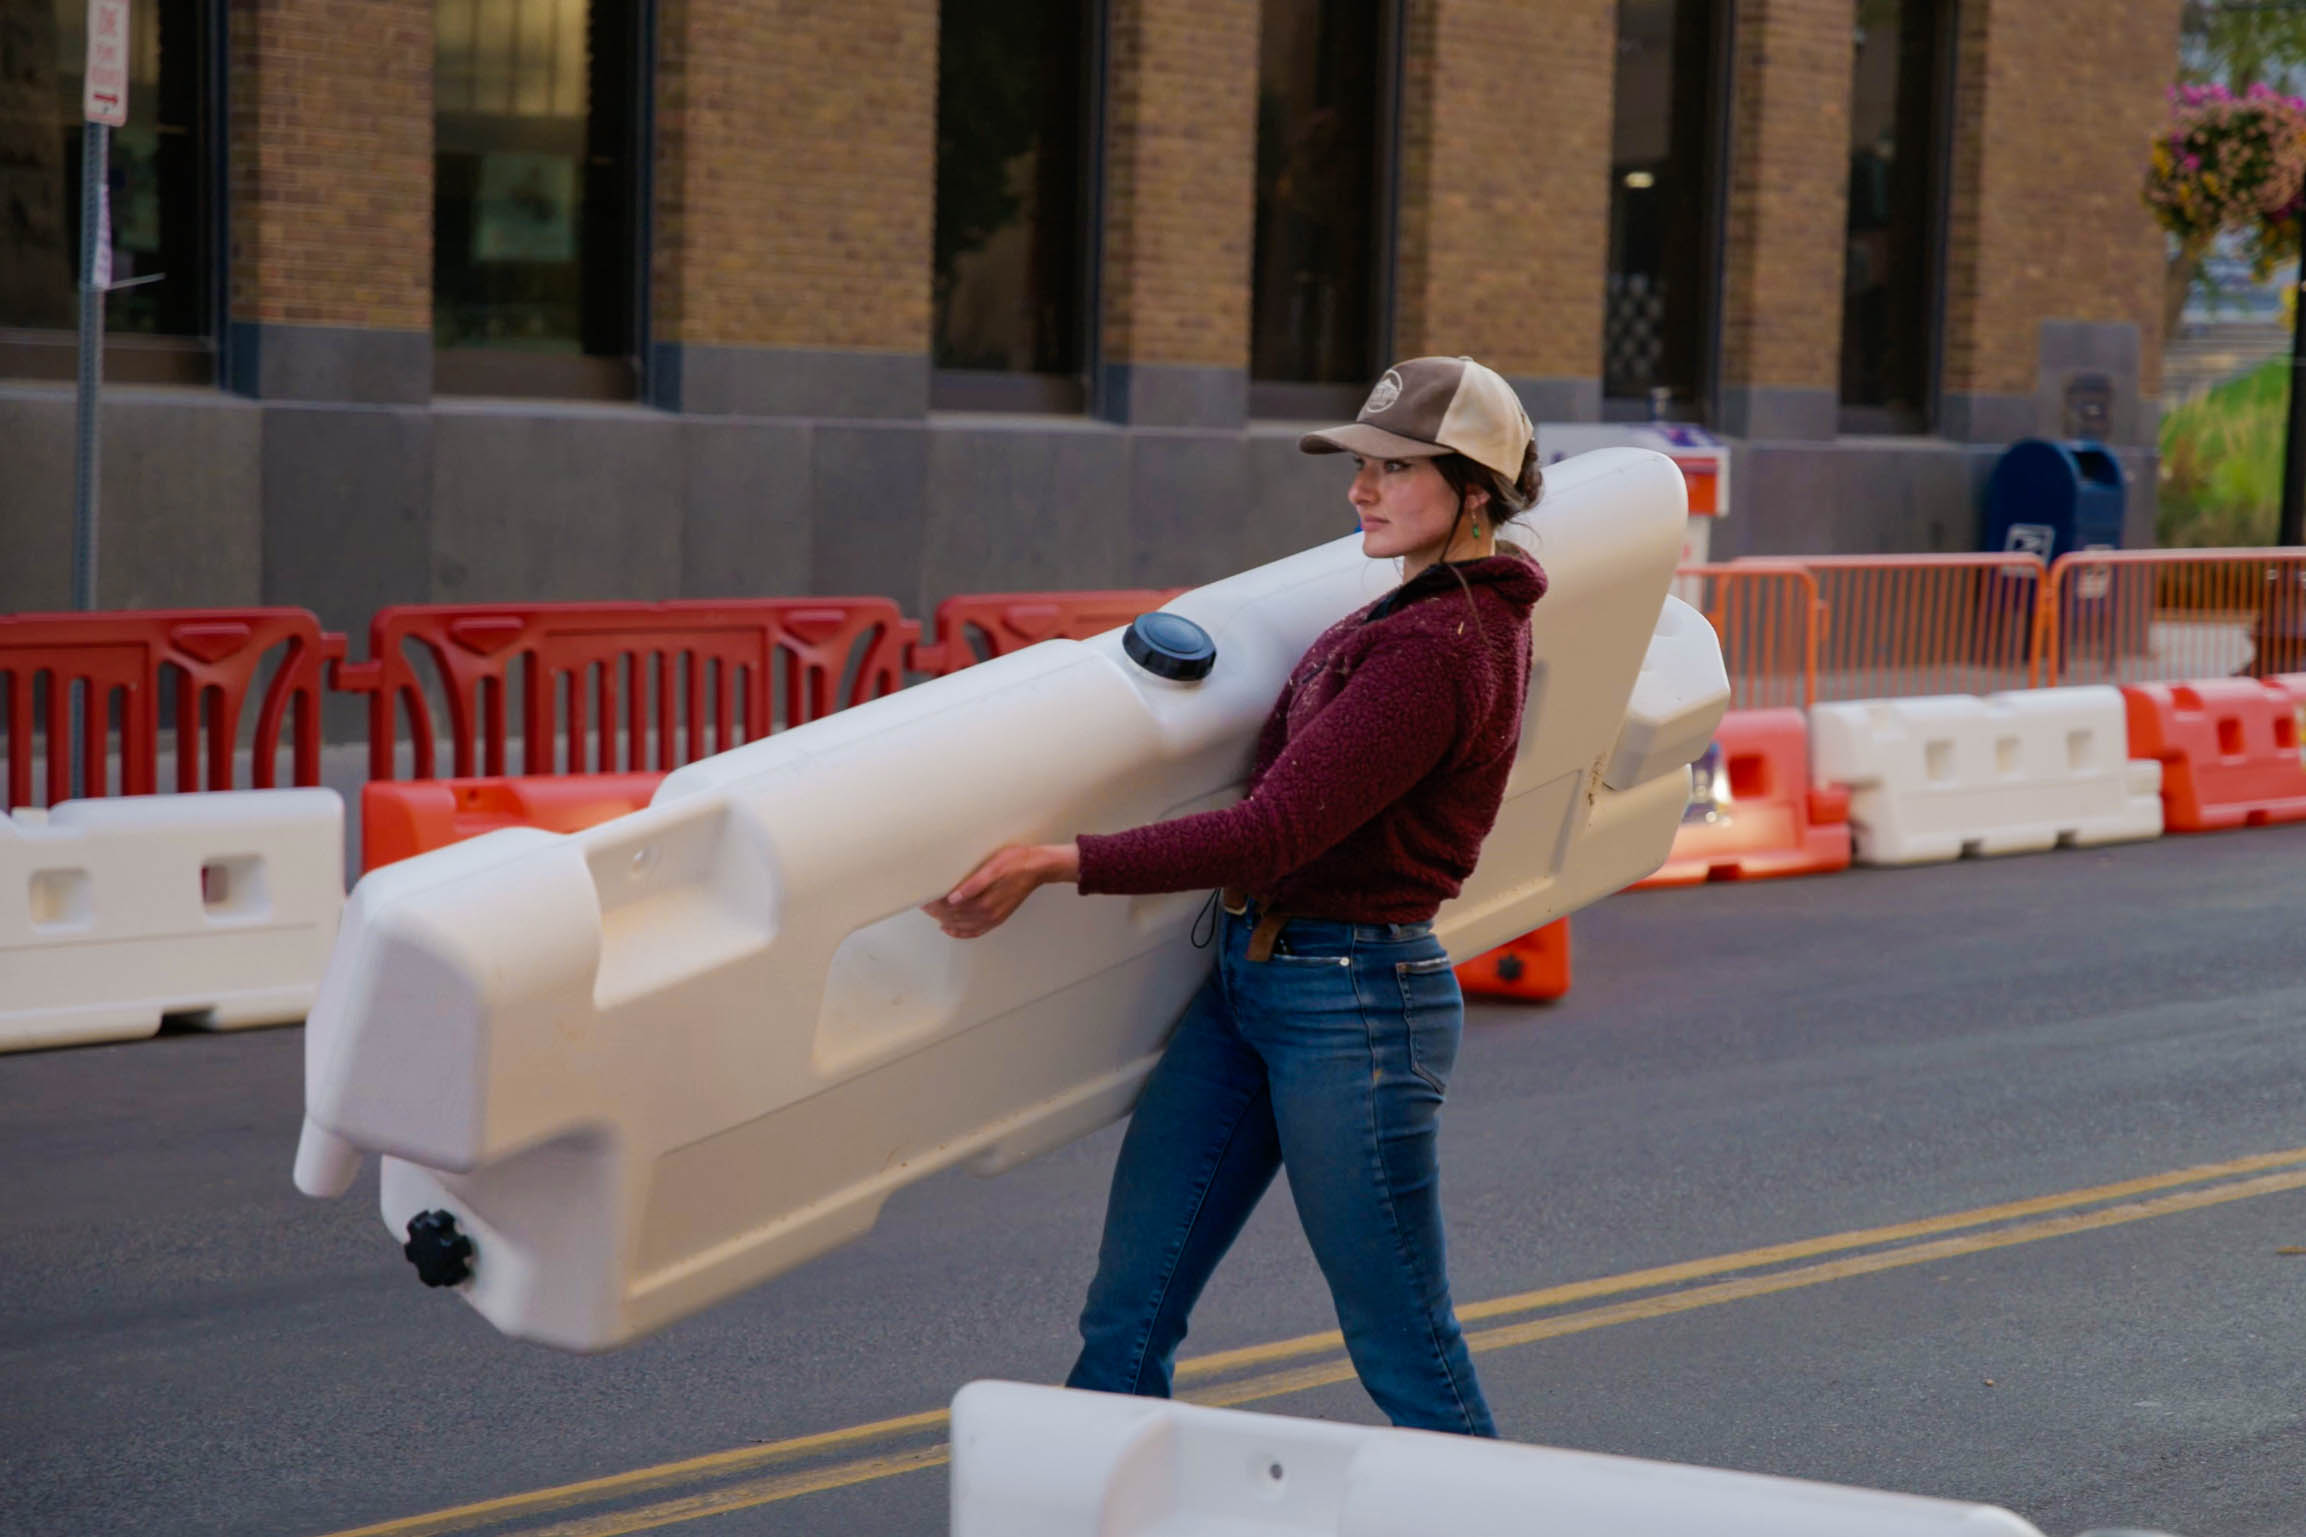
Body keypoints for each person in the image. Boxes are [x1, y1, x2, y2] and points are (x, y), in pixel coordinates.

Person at [923, 355, 1548, 1438]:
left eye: (1393, 468)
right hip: (1253, 982)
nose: (1360, 488)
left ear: (1474, 488)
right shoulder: (1398, 615)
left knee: (1400, 1340)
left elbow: (1271, 830)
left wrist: (1054, 860)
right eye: (1359, 465)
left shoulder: (1438, 647)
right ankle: (1089, 1502)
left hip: (1353, 1006)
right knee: (1131, 1302)